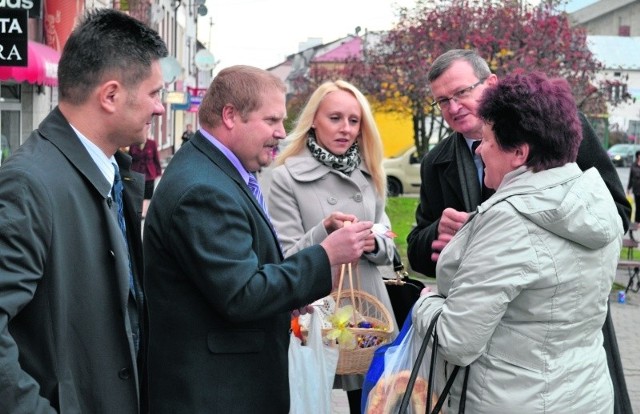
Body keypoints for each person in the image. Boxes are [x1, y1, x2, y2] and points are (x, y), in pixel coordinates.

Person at [406, 49, 633, 413]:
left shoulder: (554, 121)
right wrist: (444, 234)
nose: (453, 107)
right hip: (503, 363)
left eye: (461, 92)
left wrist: (520, 241)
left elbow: (609, 214)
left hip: (549, 342)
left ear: (491, 84)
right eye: (442, 101)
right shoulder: (437, 162)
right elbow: (418, 248)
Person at [143, 65, 374, 413]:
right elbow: (242, 294)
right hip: (215, 392)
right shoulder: (203, 189)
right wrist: (325, 256)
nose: (282, 132)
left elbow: (242, 270)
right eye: (272, 121)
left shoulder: (216, 172)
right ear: (231, 116)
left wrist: (291, 292)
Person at [0, 9, 167, 414]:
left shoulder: (112, 169)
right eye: (154, 93)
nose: (160, 108)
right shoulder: (29, 184)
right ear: (110, 96)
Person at [268, 79, 397, 414]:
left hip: (366, 311)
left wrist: (370, 243)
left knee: (370, 403)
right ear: (314, 119)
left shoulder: (370, 171)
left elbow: (389, 240)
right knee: (307, 400)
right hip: (316, 310)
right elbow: (284, 255)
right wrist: (325, 235)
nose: (346, 129)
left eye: (354, 121)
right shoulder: (286, 176)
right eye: (335, 118)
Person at [129, 135, 162, 218]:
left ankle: (143, 213)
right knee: (137, 193)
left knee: (148, 194)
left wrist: (158, 171)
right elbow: (130, 158)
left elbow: (156, 158)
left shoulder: (152, 143)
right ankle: (139, 211)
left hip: (149, 173)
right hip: (136, 172)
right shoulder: (133, 144)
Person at [627, 150, 640, 224]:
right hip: (637, 190)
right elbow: (631, 178)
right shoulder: (633, 166)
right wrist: (628, 188)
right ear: (637, 156)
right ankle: (637, 221)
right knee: (637, 206)